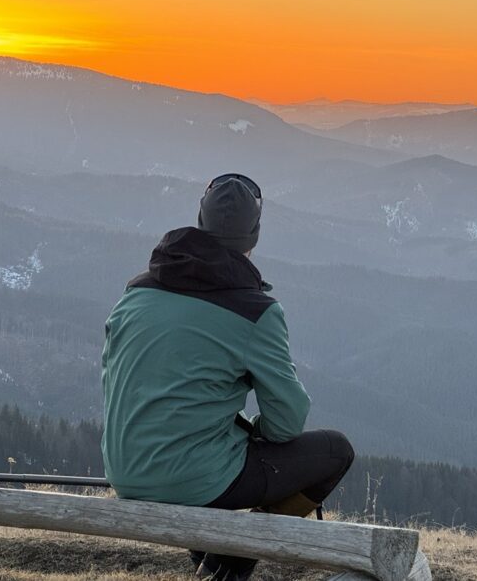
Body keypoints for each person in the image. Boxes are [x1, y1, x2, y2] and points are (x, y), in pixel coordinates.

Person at [100, 173, 355, 580]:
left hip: (124, 468)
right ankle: (229, 566)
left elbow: (115, 378)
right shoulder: (255, 311)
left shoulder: (137, 291)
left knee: (203, 464)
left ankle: (212, 559)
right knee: (335, 452)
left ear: (199, 221)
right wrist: (254, 429)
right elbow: (287, 421)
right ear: (254, 236)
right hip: (192, 479)